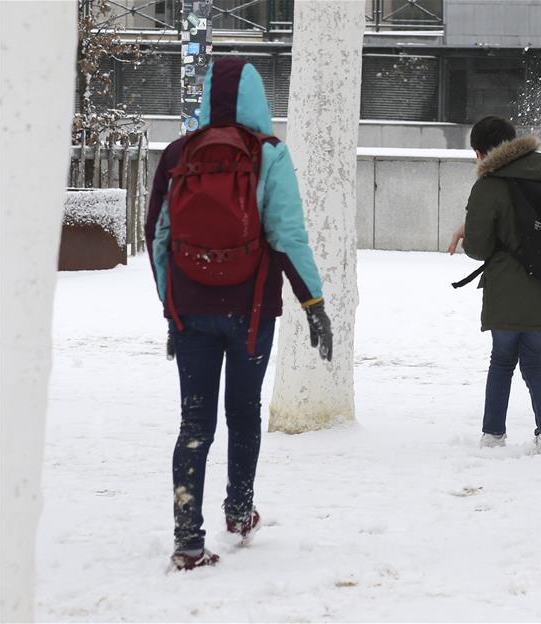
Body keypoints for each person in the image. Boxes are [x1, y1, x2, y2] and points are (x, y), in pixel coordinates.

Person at [145, 58, 332, 571]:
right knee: (243, 412)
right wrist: (314, 305)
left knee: (194, 422)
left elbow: (158, 236)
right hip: (251, 312)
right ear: (258, 100)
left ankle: (187, 538)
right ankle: (240, 510)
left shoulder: (180, 152)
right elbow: (287, 236)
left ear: (206, 99)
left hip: (190, 310)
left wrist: (171, 308)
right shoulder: (269, 153)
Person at [449, 116, 541, 454]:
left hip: (505, 289)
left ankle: (493, 434)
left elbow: (479, 248)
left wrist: (471, 231)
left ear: (482, 151)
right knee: (536, 362)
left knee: (502, 361)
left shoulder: (488, 185)